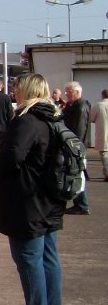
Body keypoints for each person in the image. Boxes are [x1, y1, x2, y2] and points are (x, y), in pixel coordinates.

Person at [0, 72, 63, 305]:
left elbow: (12, 158)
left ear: (27, 90)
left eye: (17, 87)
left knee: (28, 258)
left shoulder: (27, 121)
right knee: (48, 257)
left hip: (27, 201)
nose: (14, 91)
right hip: (49, 199)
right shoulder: (53, 118)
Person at [61, 81, 91, 215]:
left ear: (77, 92)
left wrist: (74, 146)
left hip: (75, 146)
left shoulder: (80, 107)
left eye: (69, 92)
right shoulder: (73, 106)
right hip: (75, 145)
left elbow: (79, 129)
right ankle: (79, 202)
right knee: (76, 173)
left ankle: (82, 204)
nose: (66, 94)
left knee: (77, 174)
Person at [93, 89, 108, 182]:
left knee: (104, 154)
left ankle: (107, 173)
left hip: (103, 133)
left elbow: (91, 117)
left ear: (102, 95)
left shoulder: (98, 105)